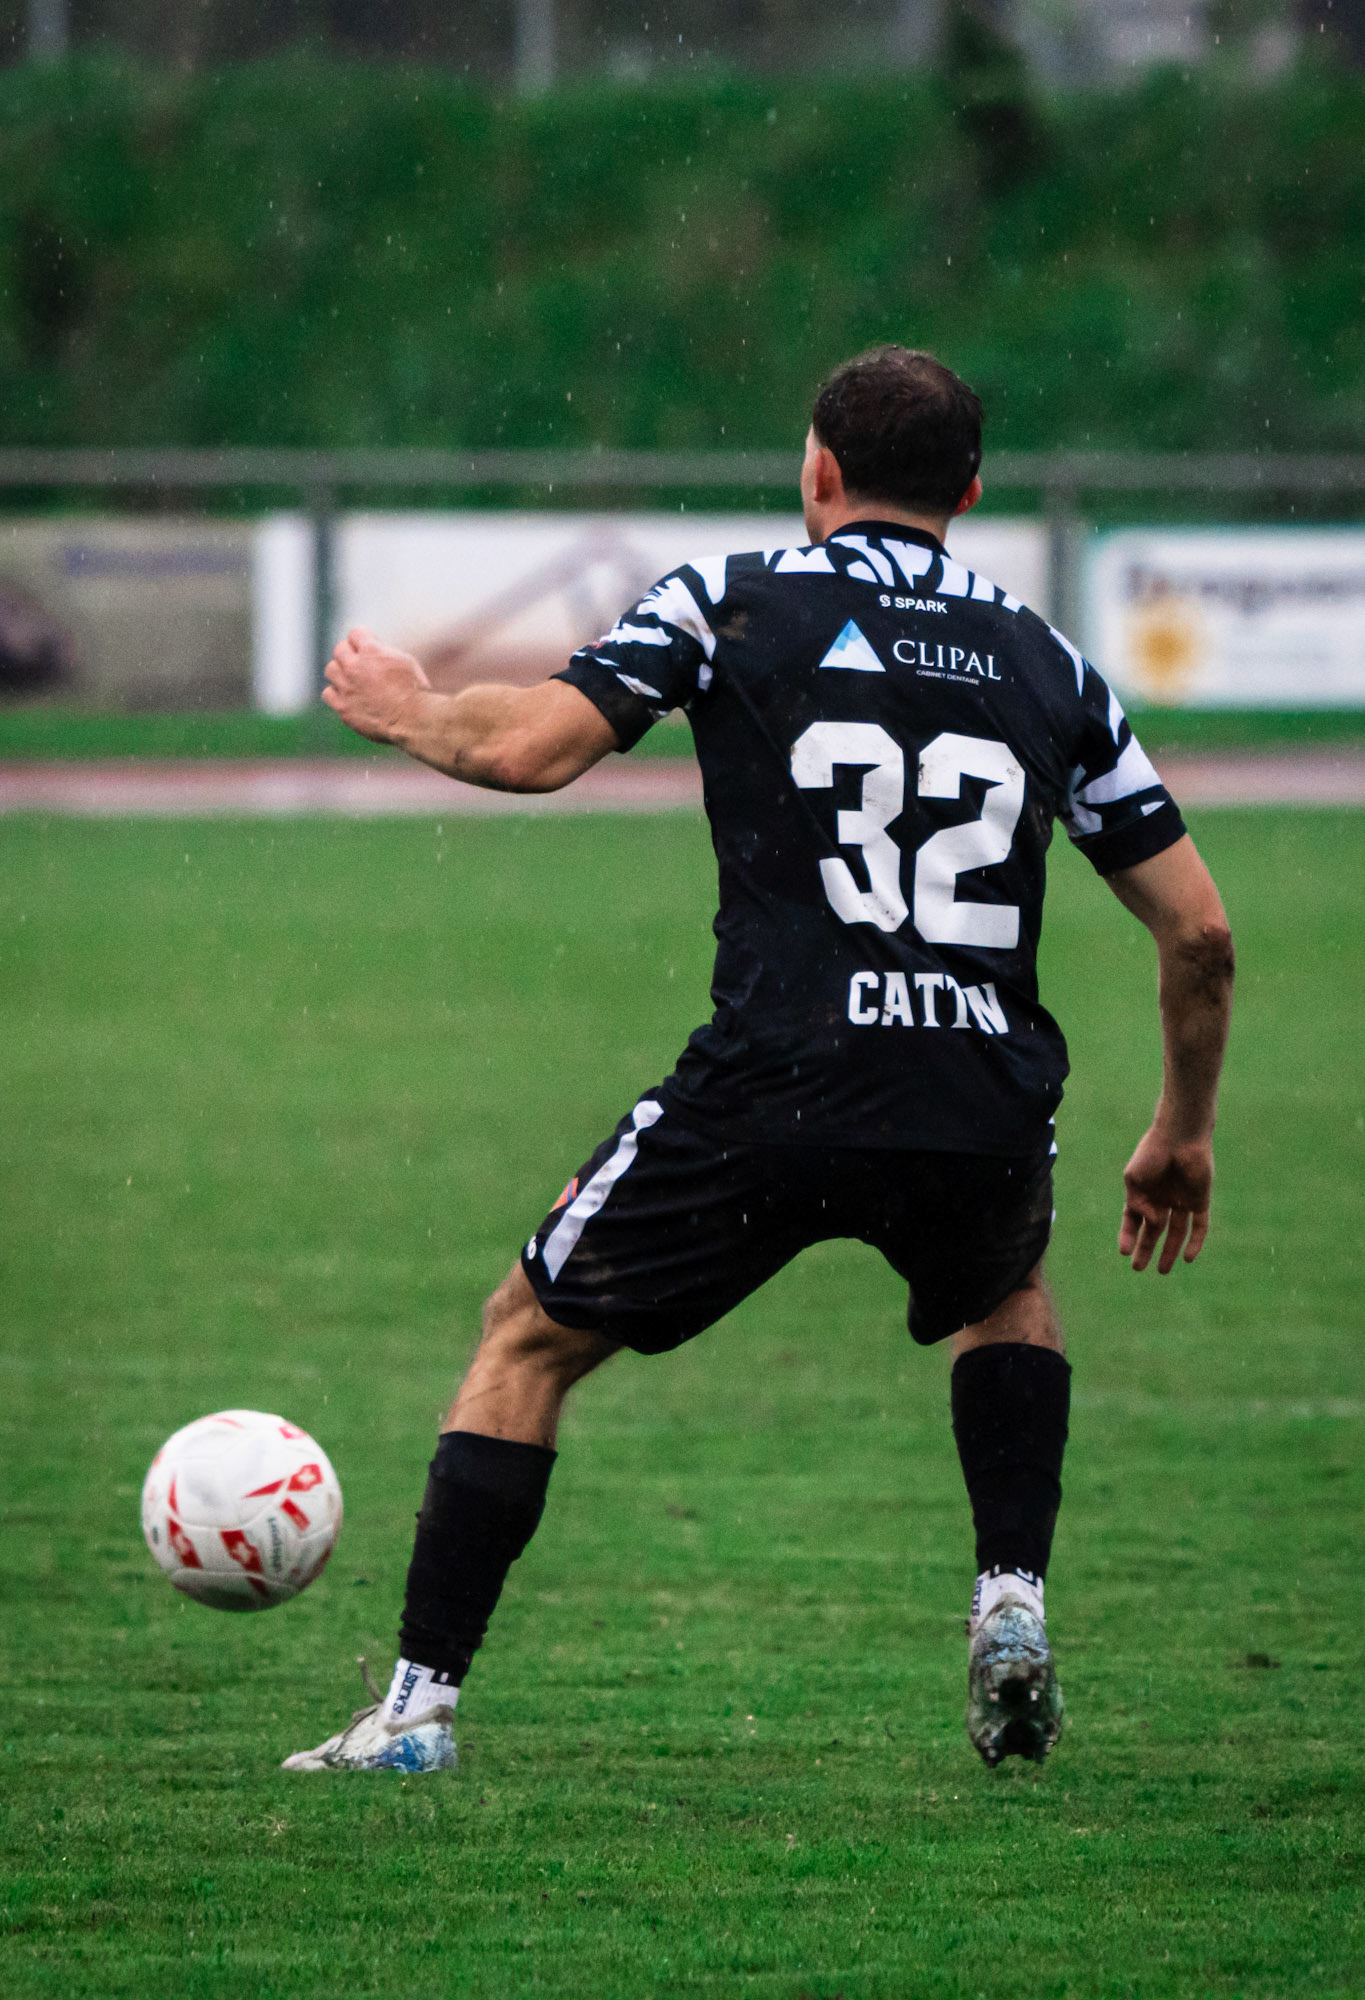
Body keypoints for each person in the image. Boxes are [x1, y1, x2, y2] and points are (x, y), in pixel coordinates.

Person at [283, 346, 1234, 1776]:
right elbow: (1200, 934)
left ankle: (416, 1711)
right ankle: (1009, 1600)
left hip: (778, 1079)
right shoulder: (1051, 662)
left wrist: (412, 706)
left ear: (819, 471)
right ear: (971, 491)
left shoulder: (729, 597)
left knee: (526, 1336)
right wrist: (1181, 1131)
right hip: (975, 1090)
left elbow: (535, 749)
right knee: (1003, 1298)